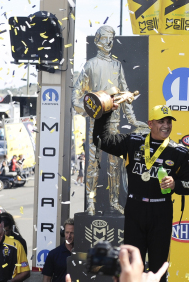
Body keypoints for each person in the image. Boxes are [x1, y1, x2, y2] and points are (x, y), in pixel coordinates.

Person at [93, 103, 189, 282]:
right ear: (150, 123)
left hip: (161, 211)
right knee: (134, 265)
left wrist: (176, 184)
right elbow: (101, 140)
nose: (166, 126)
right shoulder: (133, 142)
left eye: (169, 122)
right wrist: (106, 111)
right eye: (161, 122)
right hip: (135, 209)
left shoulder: (179, 152)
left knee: (159, 266)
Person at [72, 25, 149, 215]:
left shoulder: (116, 65)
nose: (109, 42)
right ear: (97, 40)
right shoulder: (90, 65)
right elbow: (76, 95)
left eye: (111, 38)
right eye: (105, 38)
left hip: (114, 124)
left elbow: (125, 94)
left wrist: (131, 119)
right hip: (94, 124)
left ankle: (114, 201)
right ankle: (91, 203)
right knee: (93, 164)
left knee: (115, 164)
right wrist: (90, 108)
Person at [42, 218, 74, 282]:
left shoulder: (83, 254)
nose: (69, 236)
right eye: (67, 232)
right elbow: (46, 279)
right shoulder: (54, 254)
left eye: (72, 233)